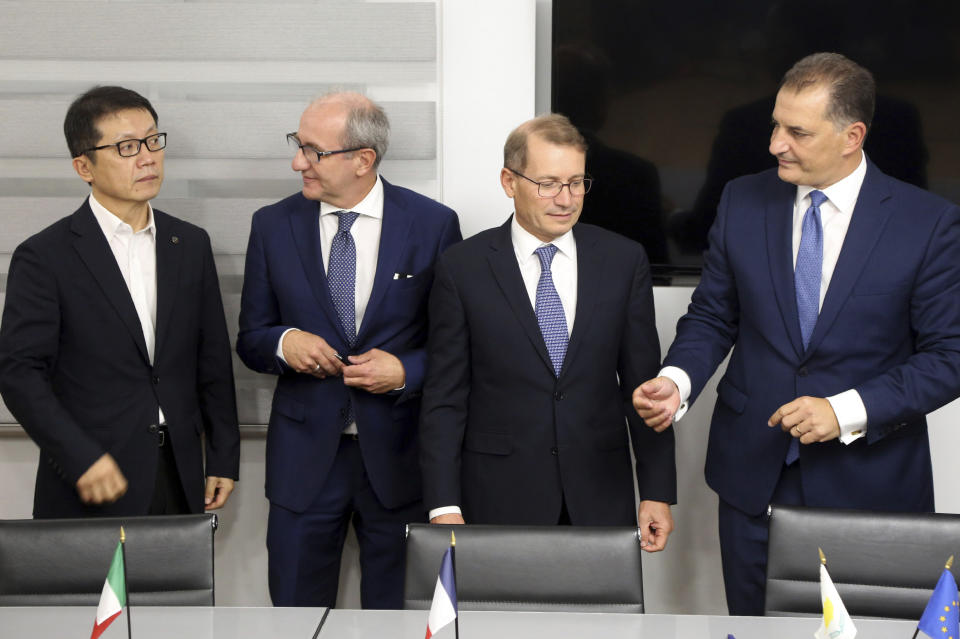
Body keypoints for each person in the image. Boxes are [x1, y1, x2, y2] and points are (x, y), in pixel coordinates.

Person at [633, 52, 960, 615]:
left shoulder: (928, 223)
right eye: (775, 126)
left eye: (797, 132)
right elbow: (714, 314)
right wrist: (677, 379)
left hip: (871, 487)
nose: (775, 144)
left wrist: (846, 409)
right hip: (751, 476)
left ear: (852, 135)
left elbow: (949, 356)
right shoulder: (741, 199)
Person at [236, 92, 461, 609]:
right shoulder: (273, 225)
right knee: (294, 614)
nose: (298, 162)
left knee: (397, 617)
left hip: (400, 461)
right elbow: (251, 338)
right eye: (298, 145)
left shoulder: (433, 225)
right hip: (304, 464)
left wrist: (405, 369)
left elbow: (455, 346)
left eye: (313, 150)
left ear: (363, 159)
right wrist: (285, 342)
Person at [419, 114, 676, 547]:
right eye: (549, 183)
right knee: (501, 617)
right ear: (509, 181)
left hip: (600, 494)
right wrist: (444, 504)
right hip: (498, 496)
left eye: (577, 183)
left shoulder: (623, 260)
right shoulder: (462, 267)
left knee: (603, 616)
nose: (566, 199)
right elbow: (445, 396)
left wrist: (656, 490)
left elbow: (644, 388)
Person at [0, 86, 240, 518]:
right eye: (127, 147)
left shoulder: (188, 243)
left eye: (152, 141)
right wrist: (80, 458)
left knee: (177, 587)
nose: (147, 157)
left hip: (178, 471)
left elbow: (212, 358)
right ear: (83, 166)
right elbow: (19, 374)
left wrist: (223, 454)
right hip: (92, 479)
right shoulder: (45, 255)